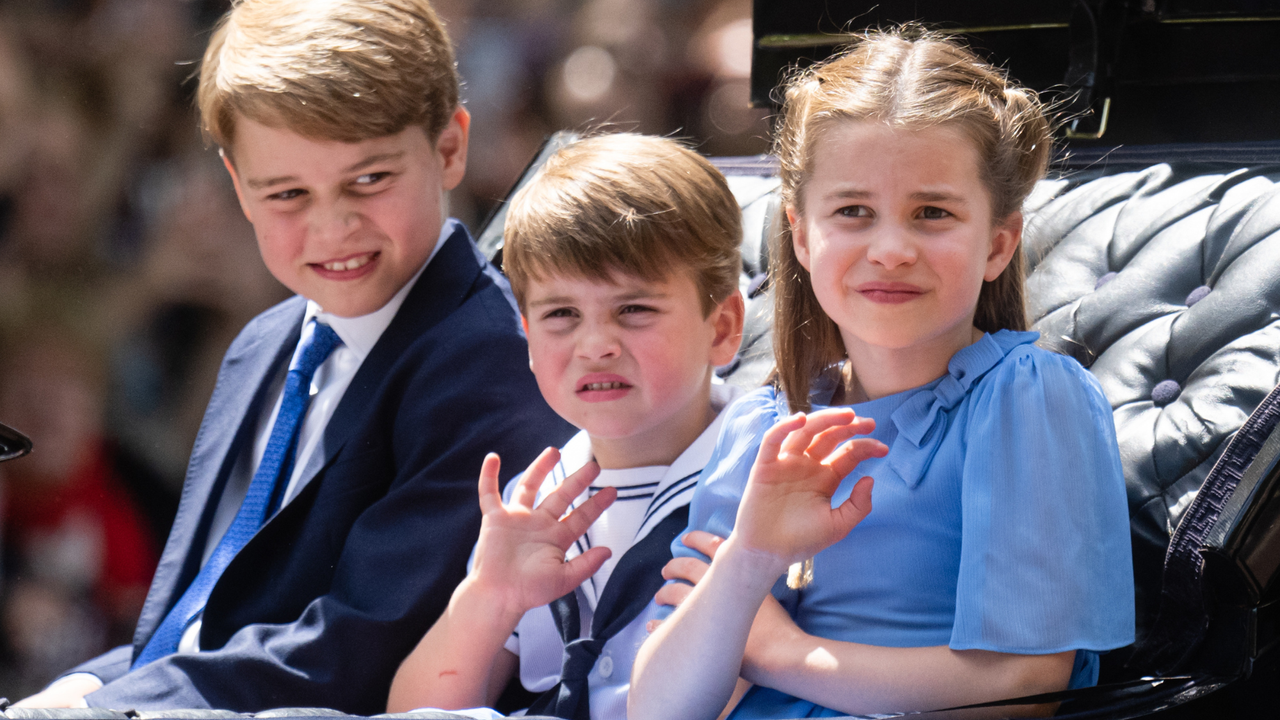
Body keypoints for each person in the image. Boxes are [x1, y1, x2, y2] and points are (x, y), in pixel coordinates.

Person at [16, 0, 572, 712]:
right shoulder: (263, 345)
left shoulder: (496, 362)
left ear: (449, 149)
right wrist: (77, 692)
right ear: (238, 187)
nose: (332, 227)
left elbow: (361, 646)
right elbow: (200, 623)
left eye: (368, 180)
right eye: (287, 194)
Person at [629, 29, 1135, 720]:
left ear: (997, 243)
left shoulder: (1025, 399)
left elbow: (1021, 686)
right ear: (802, 237)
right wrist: (748, 560)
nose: (891, 250)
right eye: (853, 212)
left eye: (932, 213)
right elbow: (659, 709)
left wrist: (781, 653)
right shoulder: (762, 427)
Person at [386, 133, 747, 720]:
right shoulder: (535, 503)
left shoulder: (766, 476)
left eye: (634, 310)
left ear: (723, 326)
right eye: (562, 315)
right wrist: (491, 598)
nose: (596, 345)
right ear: (527, 339)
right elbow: (414, 709)